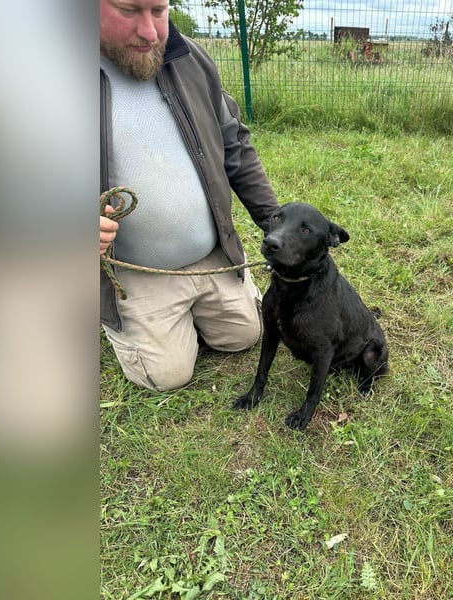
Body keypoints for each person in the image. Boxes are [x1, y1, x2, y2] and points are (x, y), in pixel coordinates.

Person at [99, 0, 280, 391]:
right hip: (137, 271)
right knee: (165, 376)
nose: (150, 31)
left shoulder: (188, 57)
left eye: (158, 10)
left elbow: (234, 145)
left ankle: (194, 309)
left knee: (246, 336)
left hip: (212, 254)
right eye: (129, 11)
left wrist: (276, 224)